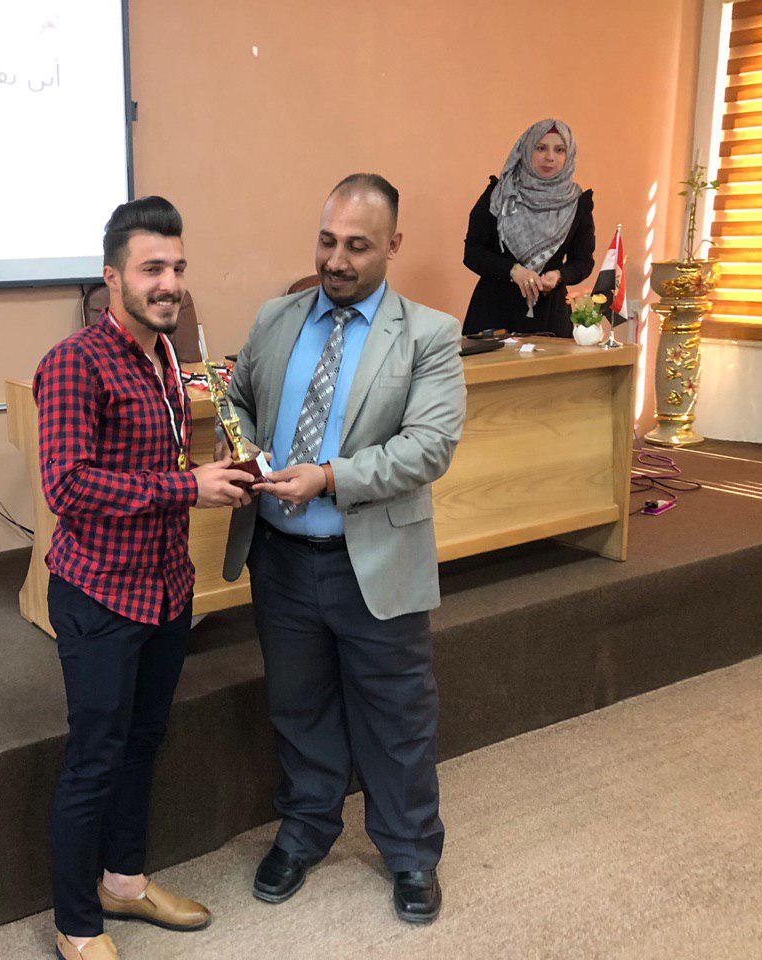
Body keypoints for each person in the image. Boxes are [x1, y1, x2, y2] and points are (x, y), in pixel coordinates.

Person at [222, 174, 465, 924]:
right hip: (281, 560)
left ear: (393, 245)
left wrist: (329, 477)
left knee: (397, 716)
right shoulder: (276, 318)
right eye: (327, 241)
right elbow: (236, 396)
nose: (336, 259)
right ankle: (305, 830)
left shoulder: (429, 335)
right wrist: (243, 445)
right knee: (298, 706)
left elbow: (428, 447)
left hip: (374, 562)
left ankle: (411, 851)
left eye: (357, 245)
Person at [34, 196, 253, 960]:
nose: (169, 283)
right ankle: (75, 924)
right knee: (95, 756)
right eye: (152, 267)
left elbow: (149, 464)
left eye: (178, 267)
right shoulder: (75, 363)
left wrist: (208, 469)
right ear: (112, 278)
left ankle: (122, 883)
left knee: (142, 743)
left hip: (164, 587)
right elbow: (67, 486)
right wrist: (188, 486)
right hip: (99, 594)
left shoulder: (165, 357)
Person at [462, 118, 595, 337]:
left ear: (569, 155)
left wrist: (559, 275)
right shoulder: (499, 194)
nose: (550, 157)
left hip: (549, 318)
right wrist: (513, 270)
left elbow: (583, 261)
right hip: (493, 314)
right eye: (540, 148)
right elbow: (473, 253)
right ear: (526, 149)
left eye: (559, 150)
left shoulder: (577, 203)